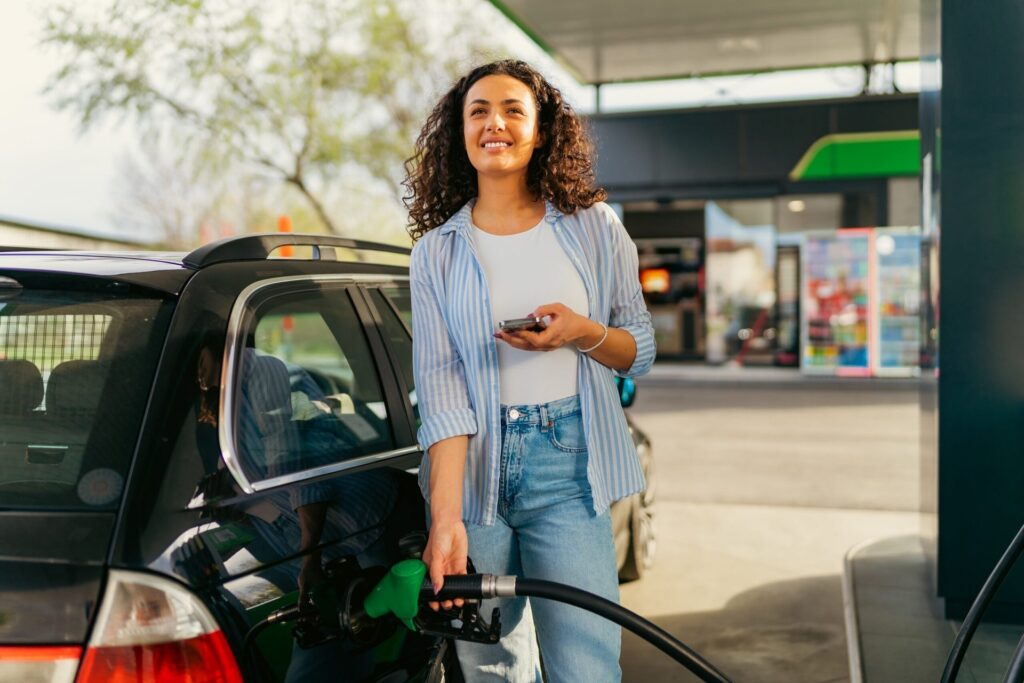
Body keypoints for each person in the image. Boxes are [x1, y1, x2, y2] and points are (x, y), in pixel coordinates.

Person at [403, 60, 656, 682]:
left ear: (541, 130)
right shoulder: (436, 252)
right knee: (494, 673)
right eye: (479, 111)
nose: (496, 123)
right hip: (474, 479)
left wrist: (579, 332)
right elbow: (441, 391)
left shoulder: (593, 228)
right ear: (459, 134)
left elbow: (639, 349)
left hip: (568, 472)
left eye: (514, 110)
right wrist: (446, 521)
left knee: (587, 669)